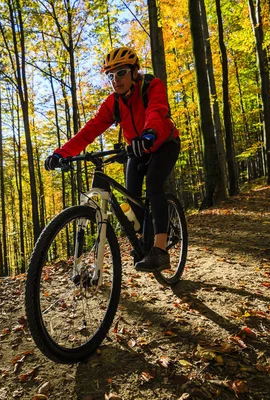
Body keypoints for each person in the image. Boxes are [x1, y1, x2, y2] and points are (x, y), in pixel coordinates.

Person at [44, 46, 180, 272]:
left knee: (154, 184)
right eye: (110, 75)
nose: (115, 80)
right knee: (132, 199)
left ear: (135, 72)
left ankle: (160, 250)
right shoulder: (112, 103)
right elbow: (89, 131)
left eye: (121, 73)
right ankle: (145, 237)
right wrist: (61, 153)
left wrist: (149, 133)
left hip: (164, 143)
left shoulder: (151, 86)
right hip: (136, 150)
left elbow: (156, 110)